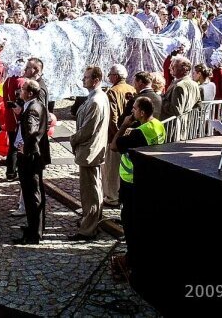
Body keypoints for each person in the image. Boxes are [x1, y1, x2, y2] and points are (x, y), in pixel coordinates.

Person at [110, 97, 166, 280]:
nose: (131, 112)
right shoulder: (157, 125)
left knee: (130, 222)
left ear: (142, 112)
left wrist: (124, 126)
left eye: (134, 109)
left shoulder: (136, 133)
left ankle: (131, 261)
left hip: (131, 181)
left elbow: (113, 146)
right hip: (148, 180)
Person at [68, 66, 109, 241]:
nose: (83, 80)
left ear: (96, 80)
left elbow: (87, 130)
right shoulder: (96, 97)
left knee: (90, 191)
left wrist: (73, 138)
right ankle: (92, 221)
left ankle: (88, 228)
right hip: (91, 150)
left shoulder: (96, 100)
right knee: (93, 188)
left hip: (90, 151)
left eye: (86, 77)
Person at [12, 79, 48, 245]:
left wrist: (25, 148)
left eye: (23, 89)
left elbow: (32, 132)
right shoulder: (37, 105)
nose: (20, 91)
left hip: (30, 158)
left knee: (32, 194)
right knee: (35, 193)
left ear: (30, 93)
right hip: (35, 156)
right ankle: (36, 228)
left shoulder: (33, 109)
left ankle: (35, 233)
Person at [103, 64, 135, 208]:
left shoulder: (112, 92)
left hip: (116, 136)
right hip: (129, 134)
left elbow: (112, 117)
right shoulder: (132, 89)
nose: (109, 77)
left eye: (110, 74)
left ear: (115, 76)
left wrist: (115, 136)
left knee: (112, 169)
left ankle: (112, 197)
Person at [159, 56, 200, 141]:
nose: (170, 68)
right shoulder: (194, 84)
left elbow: (176, 110)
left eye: (173, 66)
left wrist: (162, 99)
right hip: (185, 125)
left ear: (184, 69)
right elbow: (198, 104)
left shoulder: (179, 86)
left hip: (173, 128)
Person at [3, 59, 26, 181]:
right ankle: (11, 171)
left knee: (12, 143)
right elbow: (20, 101)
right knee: (15, 146)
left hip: (8, 115)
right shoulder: (21, 82)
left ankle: (10, 168)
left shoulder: (8, 80)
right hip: (16, 117)